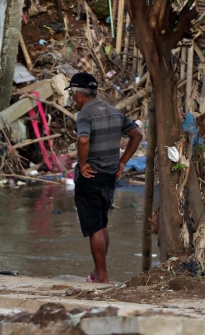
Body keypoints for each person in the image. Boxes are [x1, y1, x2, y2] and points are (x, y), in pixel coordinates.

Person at [66, 72, 143, 284]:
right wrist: (123, 161)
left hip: (91, 176)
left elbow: (83, 140)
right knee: (101, 224)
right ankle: (97, 273)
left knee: (94, 227)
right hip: (110, 176)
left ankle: (102, 276)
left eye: (73, 96)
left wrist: (82, 165)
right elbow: (136, 134)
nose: (73, 100)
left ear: (79, 95)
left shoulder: (85, 114)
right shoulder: (115, 112)